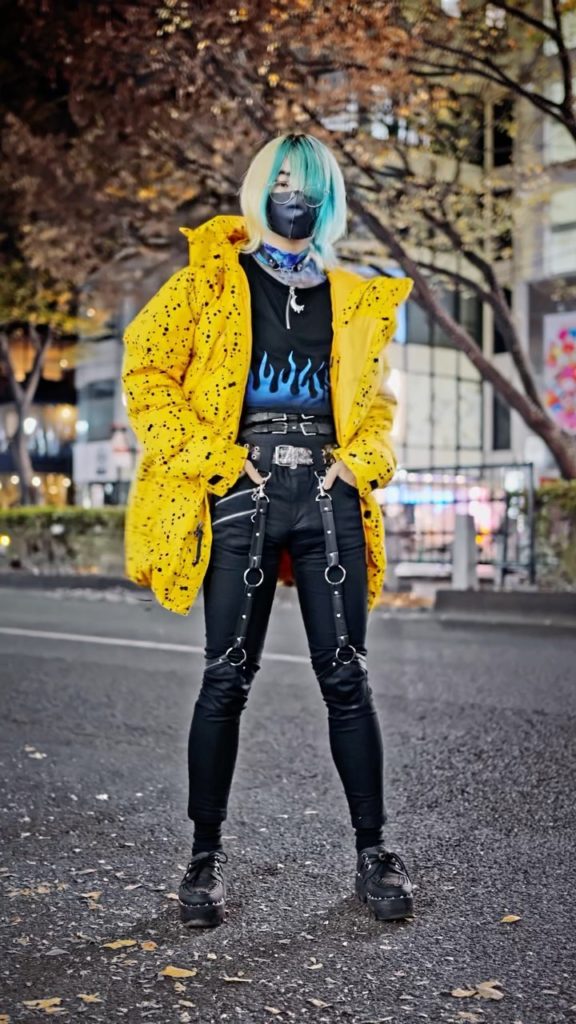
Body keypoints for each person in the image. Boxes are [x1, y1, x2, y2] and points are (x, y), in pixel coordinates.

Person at [122, 132, 414, 929]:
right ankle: (203, 858)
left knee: (347, 677)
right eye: (280, 178)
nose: (293, 191)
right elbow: (145, 370)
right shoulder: (212, 283)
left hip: (329, 495)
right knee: (225, 678)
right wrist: (215, 458)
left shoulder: (354, 297)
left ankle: (373, 852)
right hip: (243, 491)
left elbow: (379, 407)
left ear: (328, 195)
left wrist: (361, 464)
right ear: (259, 188)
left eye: (307, 181)